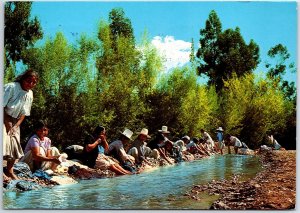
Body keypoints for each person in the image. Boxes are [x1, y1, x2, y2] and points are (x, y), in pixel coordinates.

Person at [3, 69, 39, 179]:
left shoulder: (30, 94)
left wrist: (16, 125)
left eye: (33, 82)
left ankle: (9, 170)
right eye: (28, 81)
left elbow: (24, 112)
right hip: (3, 115)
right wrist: (7, 122)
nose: (31, 84)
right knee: (3, 141)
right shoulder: (11, 87)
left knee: (15, 145)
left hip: (15, 120)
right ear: (23, 79)